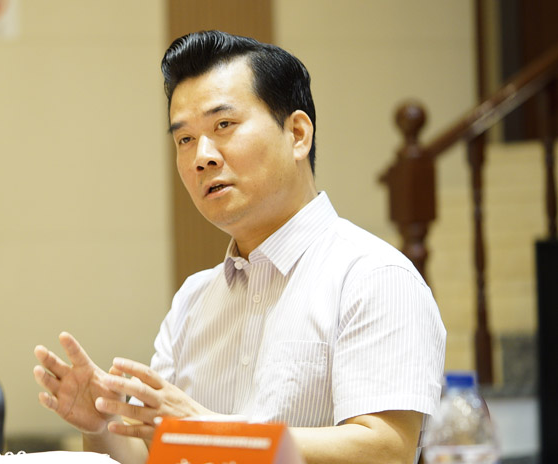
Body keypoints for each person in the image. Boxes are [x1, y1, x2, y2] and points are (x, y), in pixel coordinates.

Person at [33, 30, 446, 464]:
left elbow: (386, 450)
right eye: (184, 139)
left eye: (223, 126)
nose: (202, 157)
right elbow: (151, 453)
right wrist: (102, 426)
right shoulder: (193, 300)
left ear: (297, 134)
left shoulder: (373, 277)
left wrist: (213, 432)